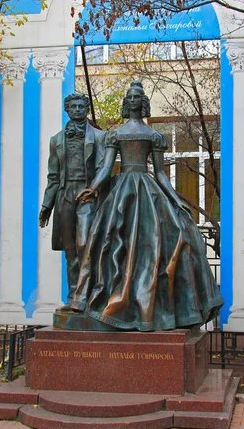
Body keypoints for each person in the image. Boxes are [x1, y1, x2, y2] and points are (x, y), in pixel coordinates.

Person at [69, 81, 223, 331]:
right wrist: (94, 187)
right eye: (129, 97)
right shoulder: (115, 134)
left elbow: (161, 174)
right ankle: (98, 298)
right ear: (125, 103)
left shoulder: (154, 136)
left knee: (163, 240)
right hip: (122, 193)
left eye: (137, 97)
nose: (133, 101)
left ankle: (155, 307)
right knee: (110, 241)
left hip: (148, 191)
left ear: (144, 103)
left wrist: (176, 201)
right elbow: (107, 168)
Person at [39, 93, 105, 308]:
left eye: (81, 106)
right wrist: (46, 206)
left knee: (84, 244)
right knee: (70, 250)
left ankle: (88, 296)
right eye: (73, 106)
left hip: (87, 195)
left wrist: (94, 189)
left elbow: (102, 168)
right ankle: (73, 296)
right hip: (65, 195)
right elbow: (53, 176)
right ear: (66, 109)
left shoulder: (99, 137)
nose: (77, 109)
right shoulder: (56, 140)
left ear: (86, 108)